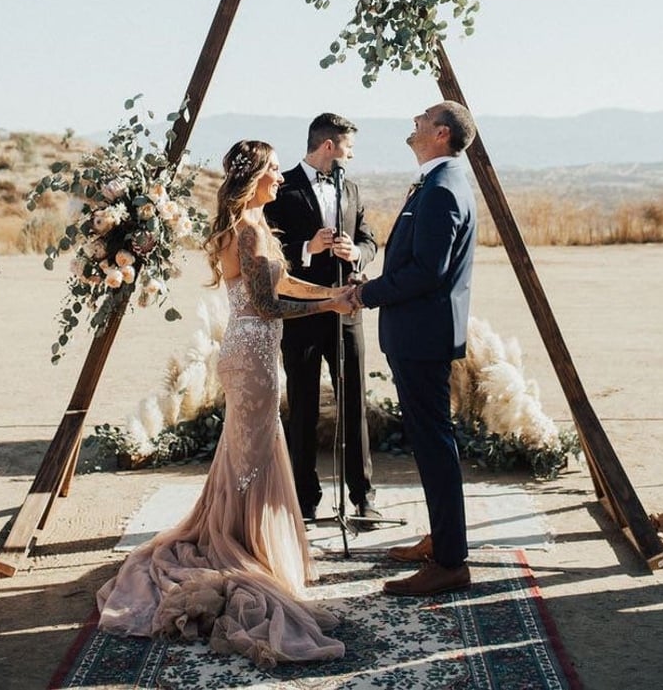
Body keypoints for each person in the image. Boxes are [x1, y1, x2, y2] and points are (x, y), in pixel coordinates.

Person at [97, 140, 352, 667]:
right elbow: (266, 303)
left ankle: (247, 538)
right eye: (276, 171)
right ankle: (249, 548)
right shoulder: (247, 228)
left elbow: (283, 282)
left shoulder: (255, 223)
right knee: (253, 454)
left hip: (253, 350)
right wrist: (331, 302)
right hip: (253, 353)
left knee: (249, 451)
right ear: (255, 175)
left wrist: (330, 296)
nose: (282, 178)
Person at [347, 101, 478, 596]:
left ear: (441, 133)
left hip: (423, 338)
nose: (414, 125)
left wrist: (365, 293)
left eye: (421, 120)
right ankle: (443, 539)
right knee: (429, 444)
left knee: (433, 445)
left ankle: (449, 562)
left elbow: (428, 271)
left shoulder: (443, 190)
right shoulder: (437, 182)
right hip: (419, 334)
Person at [264, 113, 378, 524]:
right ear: (328, 145)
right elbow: (269, 251)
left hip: (347, 313)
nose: (351, 153)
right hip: (303, 315)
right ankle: (304, 497)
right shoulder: (283, 188)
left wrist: (357, 253)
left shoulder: (351, 187)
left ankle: (363, 496)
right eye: (347, 146)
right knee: (304, 407)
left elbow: (369, 238)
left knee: (354, 406)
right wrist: (308, 248)